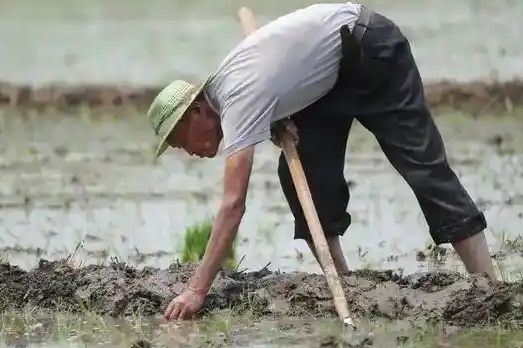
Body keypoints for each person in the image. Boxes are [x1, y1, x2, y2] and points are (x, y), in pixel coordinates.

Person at [146, 2, 497, 321]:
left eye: (180, 141)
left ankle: (488, 288)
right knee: (302, 178)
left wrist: (197, 289)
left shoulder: (235, 101)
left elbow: (233, 204)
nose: (187, 152)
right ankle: (345, 281)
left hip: (371, 48)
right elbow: (278, 80)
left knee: (423, 169)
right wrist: (277, 116)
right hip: (330, 76)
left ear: (196, 112)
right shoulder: (235, 96)